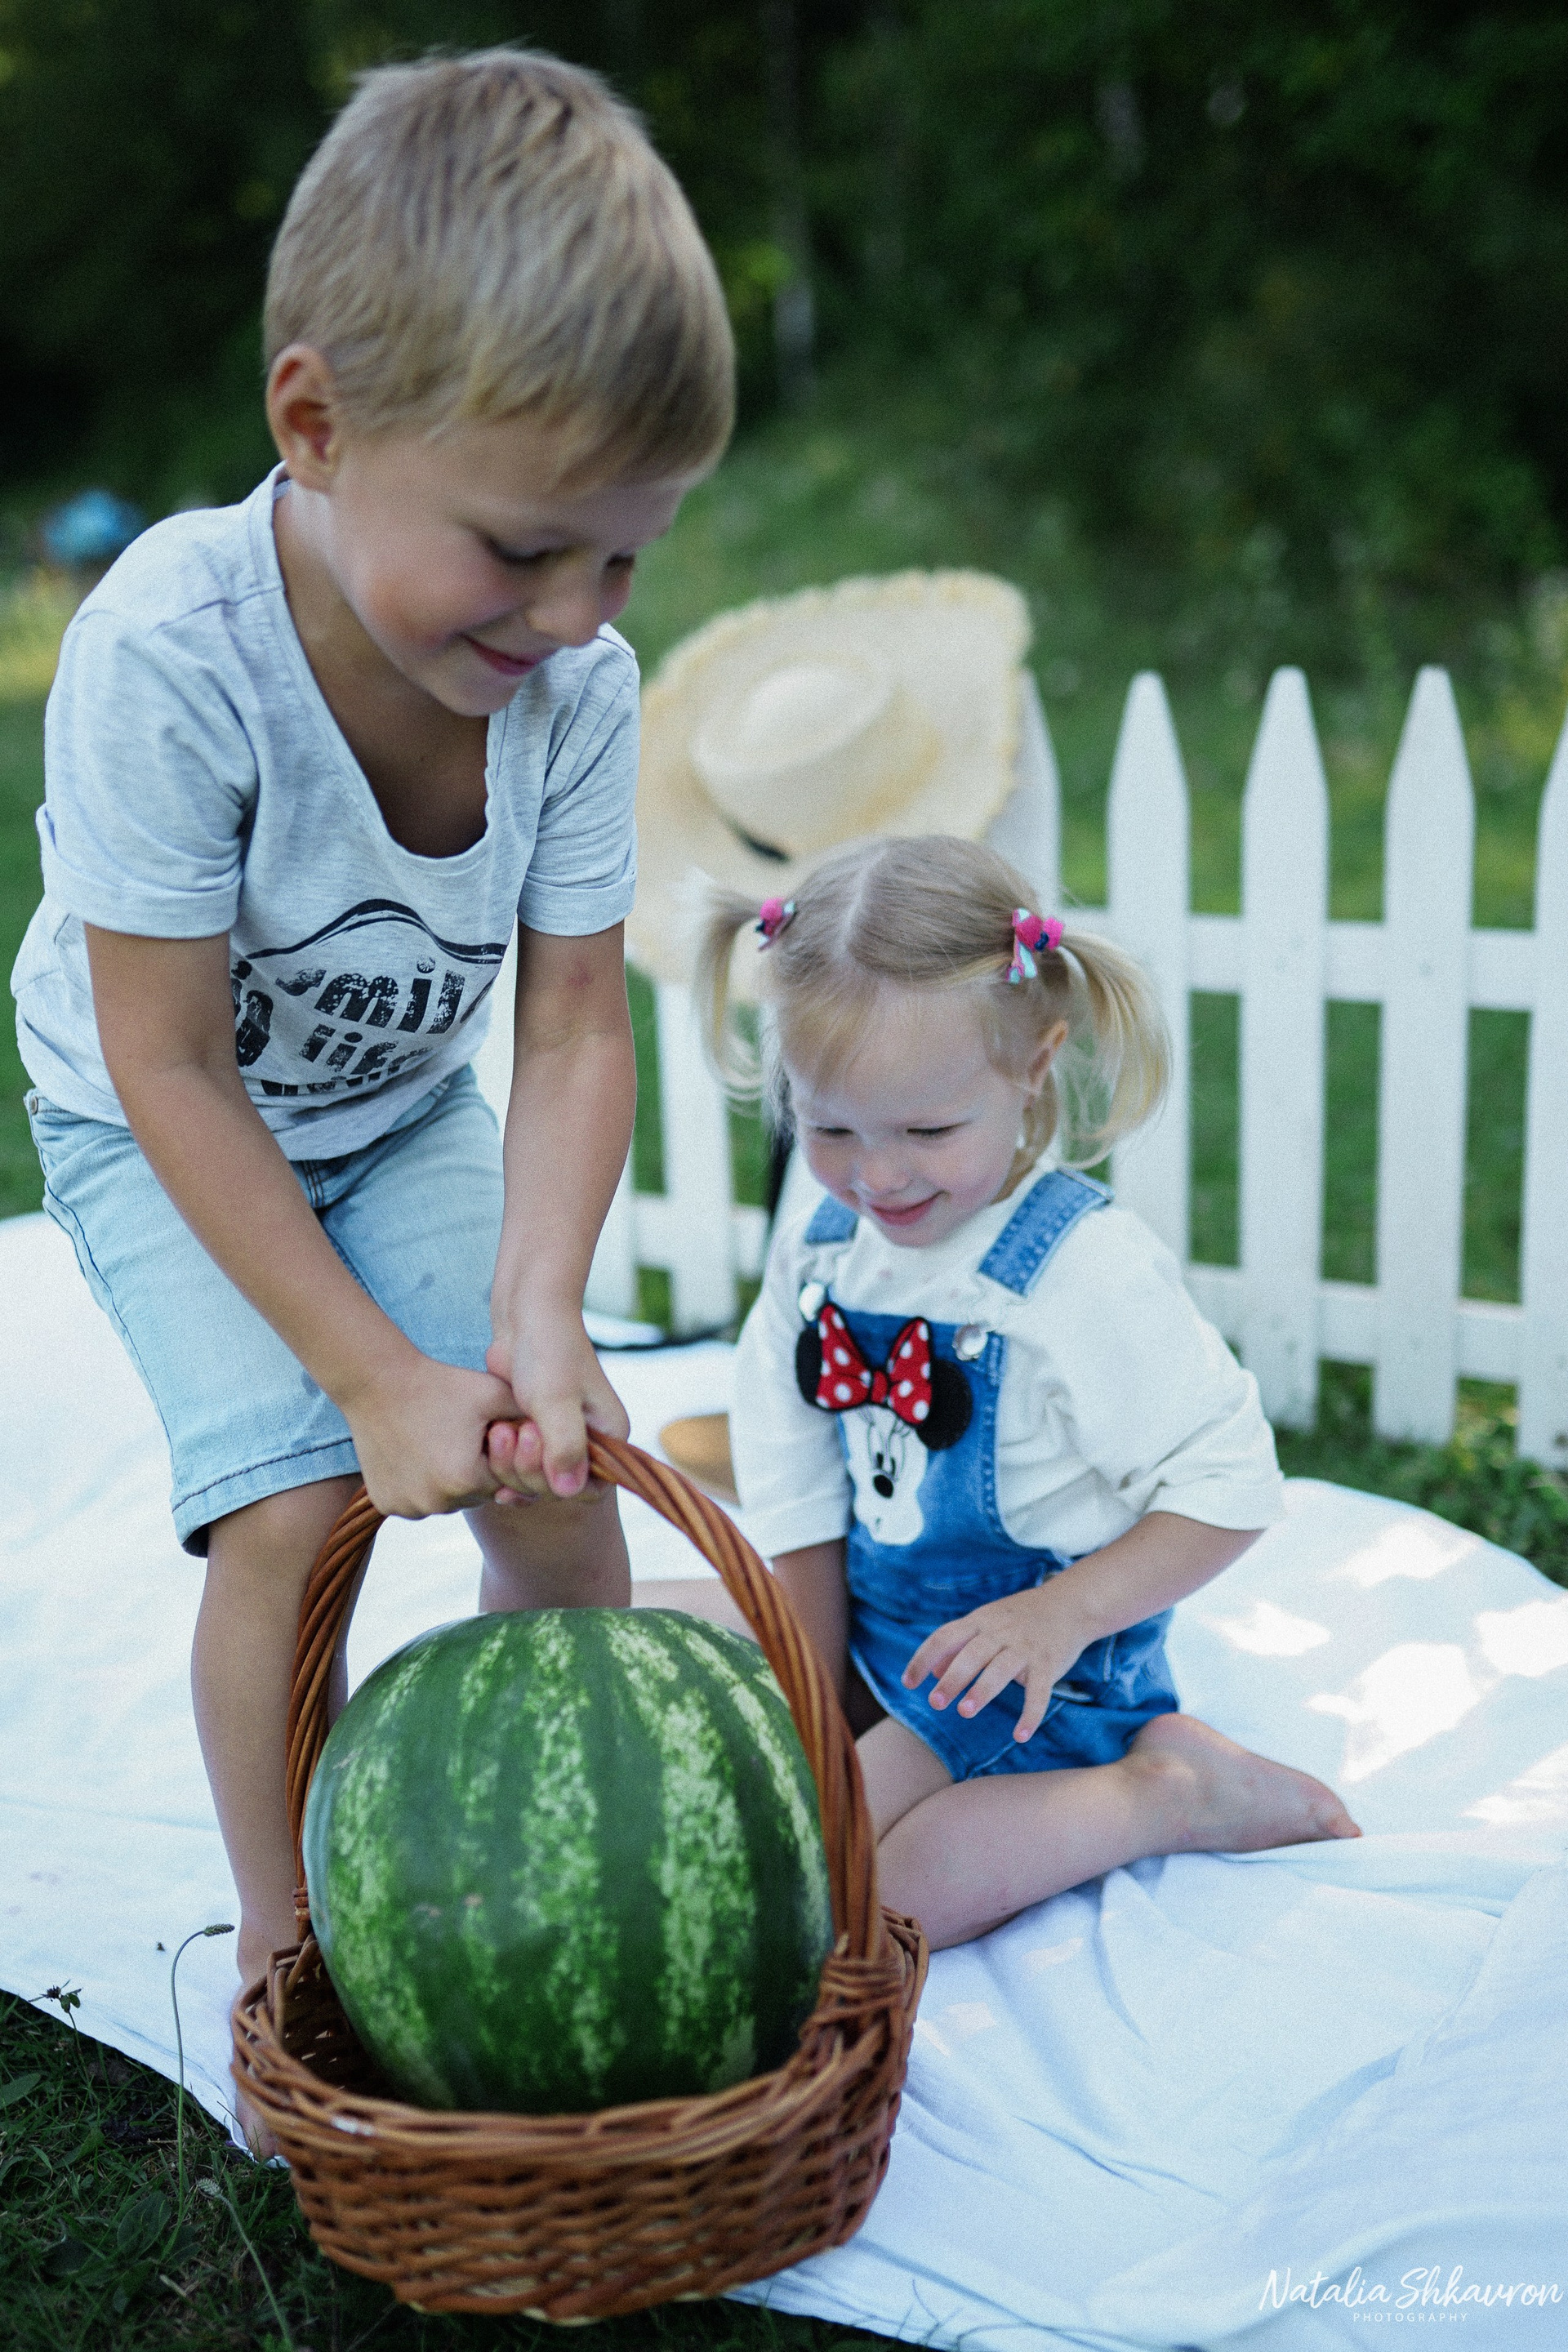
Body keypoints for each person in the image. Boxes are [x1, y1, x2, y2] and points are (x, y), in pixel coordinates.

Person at [9, 47, 733, 2095]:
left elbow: (572, 1021)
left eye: (623, 559)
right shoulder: (173, 652)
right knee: (294, 1510)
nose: (574, 615)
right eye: (523, 548)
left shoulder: (576, 690)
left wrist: (533, 1313)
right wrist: (364, 1372)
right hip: (161, 1126)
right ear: (316, 426)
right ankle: (289, 1941)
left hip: (400, 1111)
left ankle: (564, 1852)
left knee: (548, 1473)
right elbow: (165, 1062)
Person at [698, 835, 1360, 1952]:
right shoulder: (822, 1250)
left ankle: (1162, 1791)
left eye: (928, 1131)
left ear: (1035, 1066)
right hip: (882, 1642)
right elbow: (794, 1483)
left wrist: (1060, 1617)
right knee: (660, 1642)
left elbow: (1231, 1485)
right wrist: (812, 1708)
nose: (876, 1175)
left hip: (1042, 1677)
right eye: (830, 1128)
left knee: (858, 1909)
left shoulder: (1077, 1274)